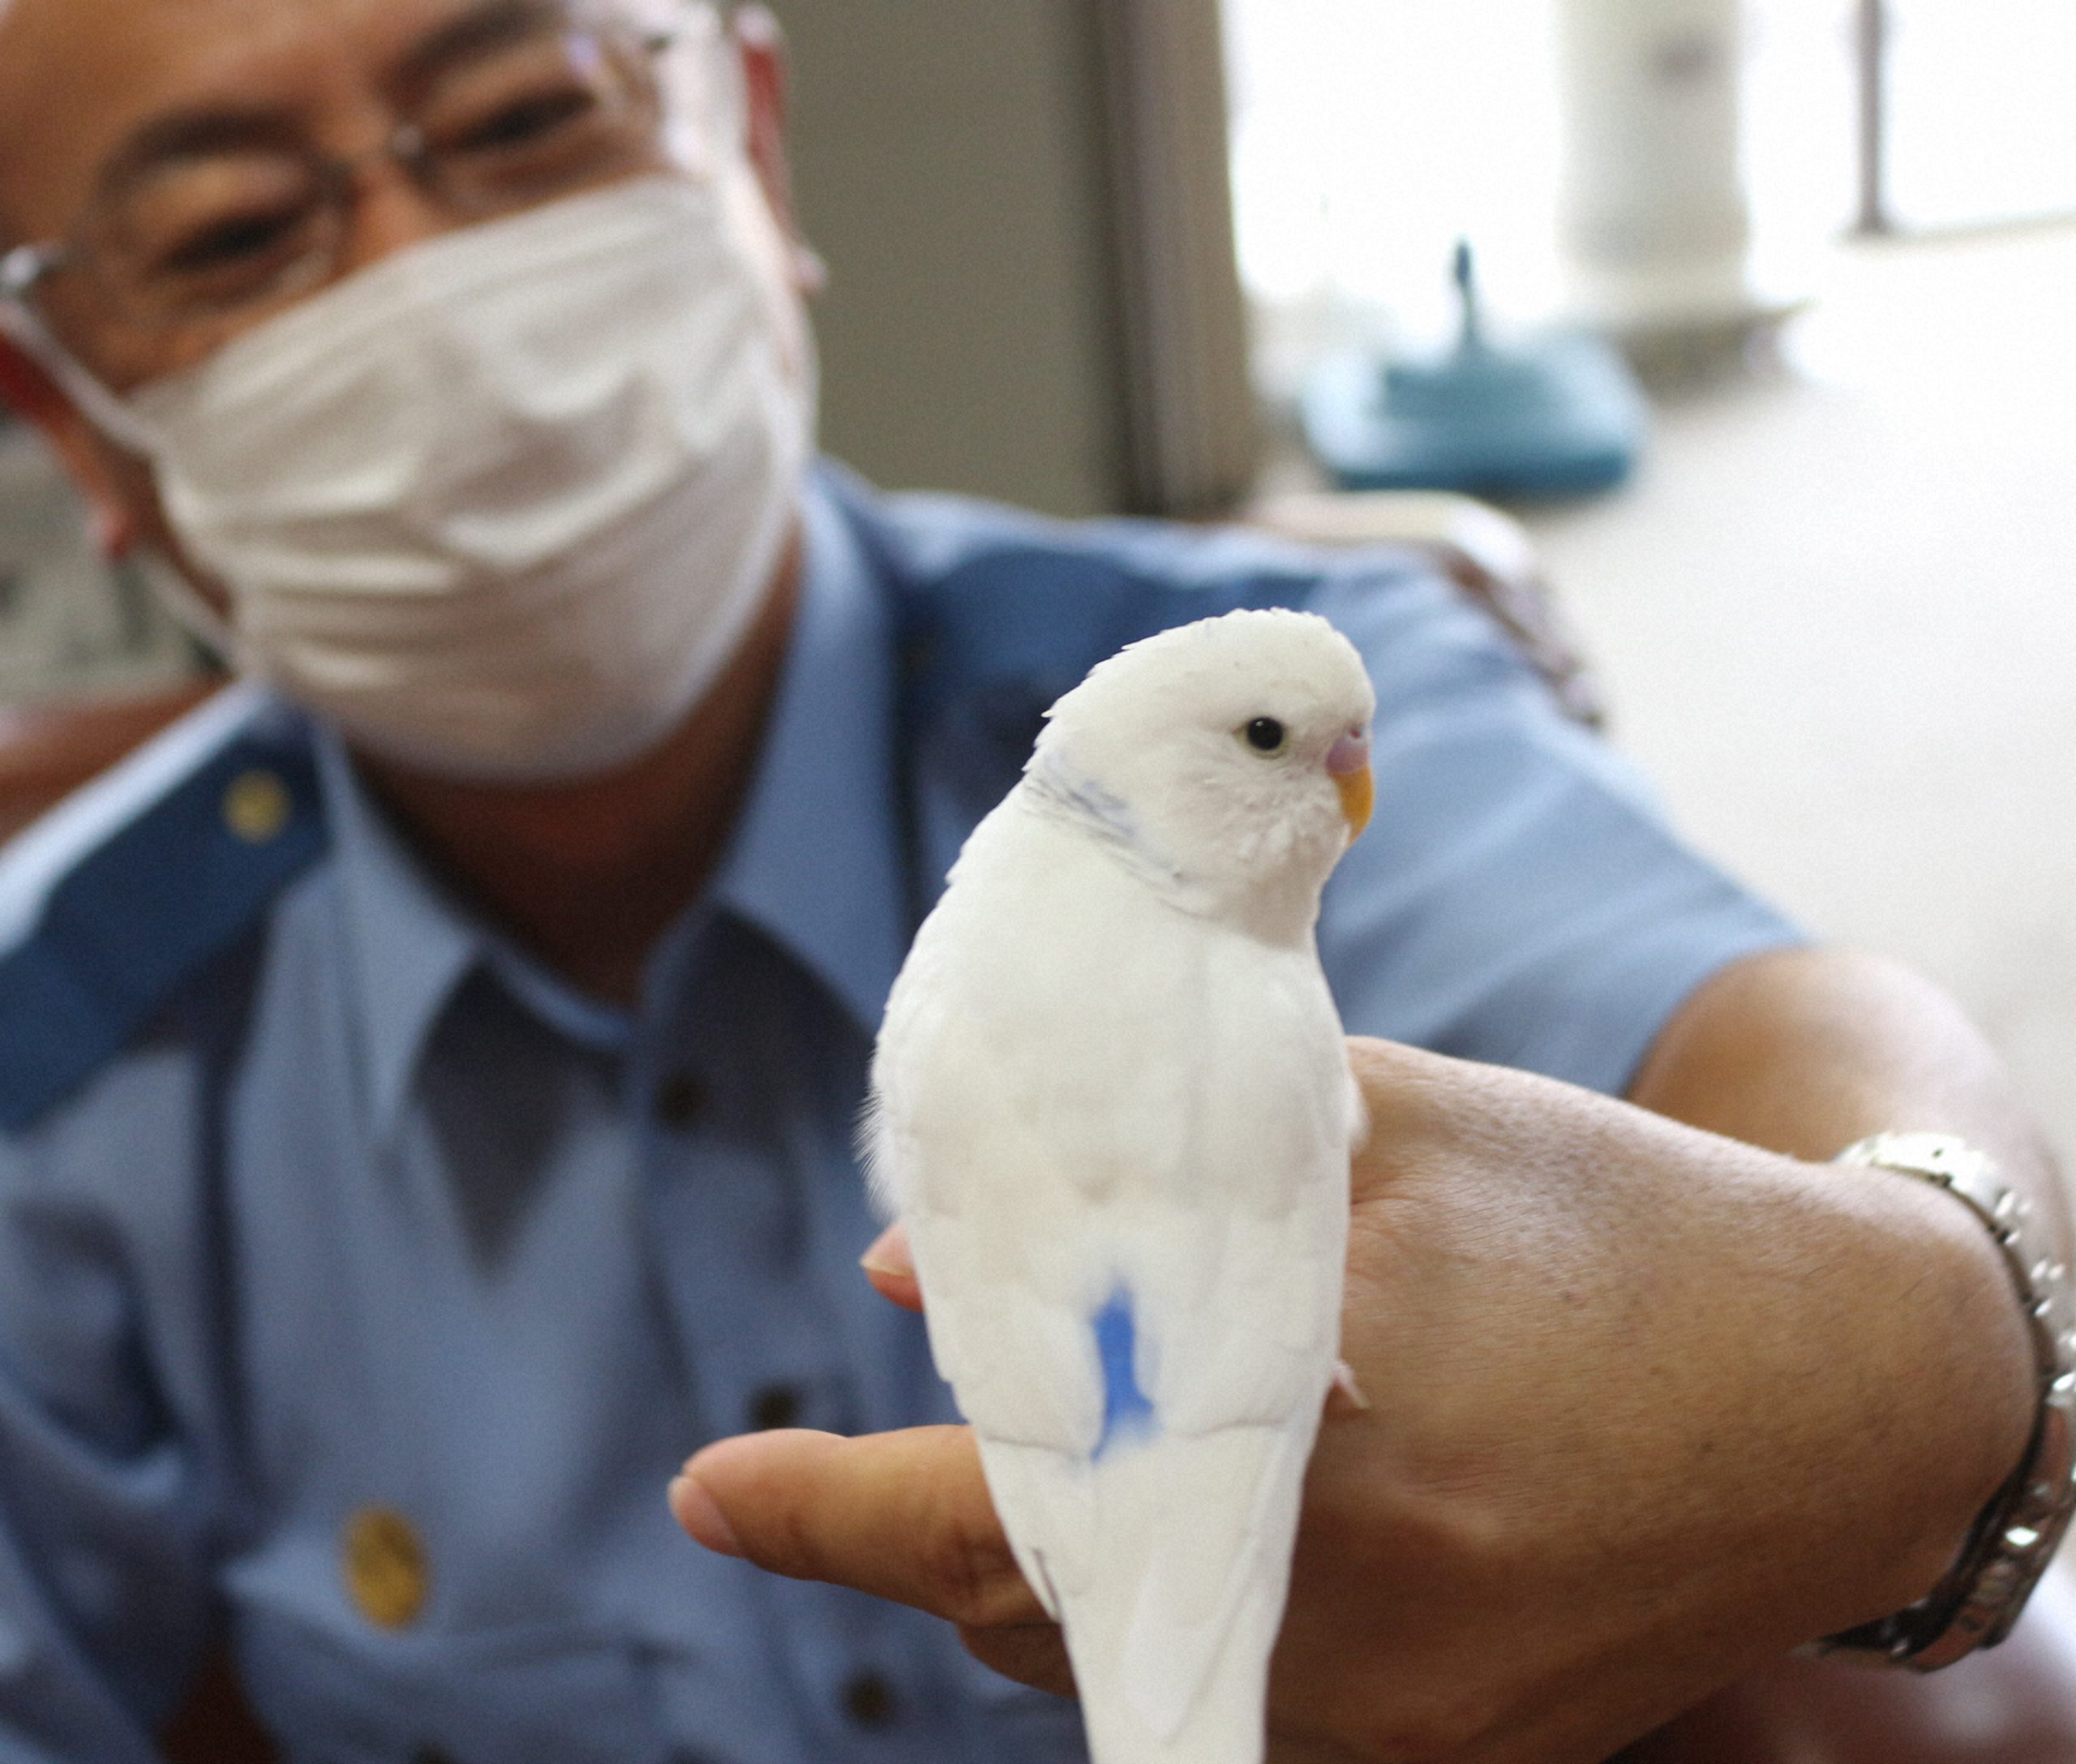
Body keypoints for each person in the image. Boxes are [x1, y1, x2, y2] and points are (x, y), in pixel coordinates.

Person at [0, 1, 2066, 1761]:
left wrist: (1919, 1332)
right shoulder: (63, 1050)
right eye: (237, 230)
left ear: (749, 134)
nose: (427, 289)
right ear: (70, 420)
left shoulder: (1241, 719)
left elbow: (1800, 1042)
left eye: (532, 116)